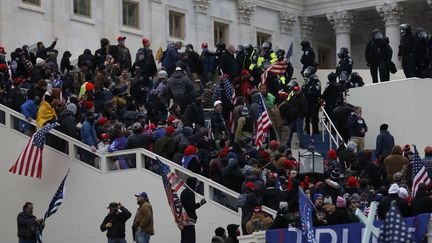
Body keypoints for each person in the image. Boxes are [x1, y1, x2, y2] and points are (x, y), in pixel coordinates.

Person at [180, 177, 207, 243]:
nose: (196, 185)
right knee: (190, 240)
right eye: (195, 183)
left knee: (184, 239)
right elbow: (191, 206)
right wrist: (200, 203)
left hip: (183, 219)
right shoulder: (190, 193)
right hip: (189, 220)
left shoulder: (183, 192)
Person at [302, 66, 321, 134]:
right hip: (307, 102)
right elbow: (303, 89)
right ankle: (307, 130)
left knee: (314, 117)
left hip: (313, 102)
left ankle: (315, 131)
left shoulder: (313, 78)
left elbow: (317, 90)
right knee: (307, 117)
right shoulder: (306, 79)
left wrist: (309, 92)